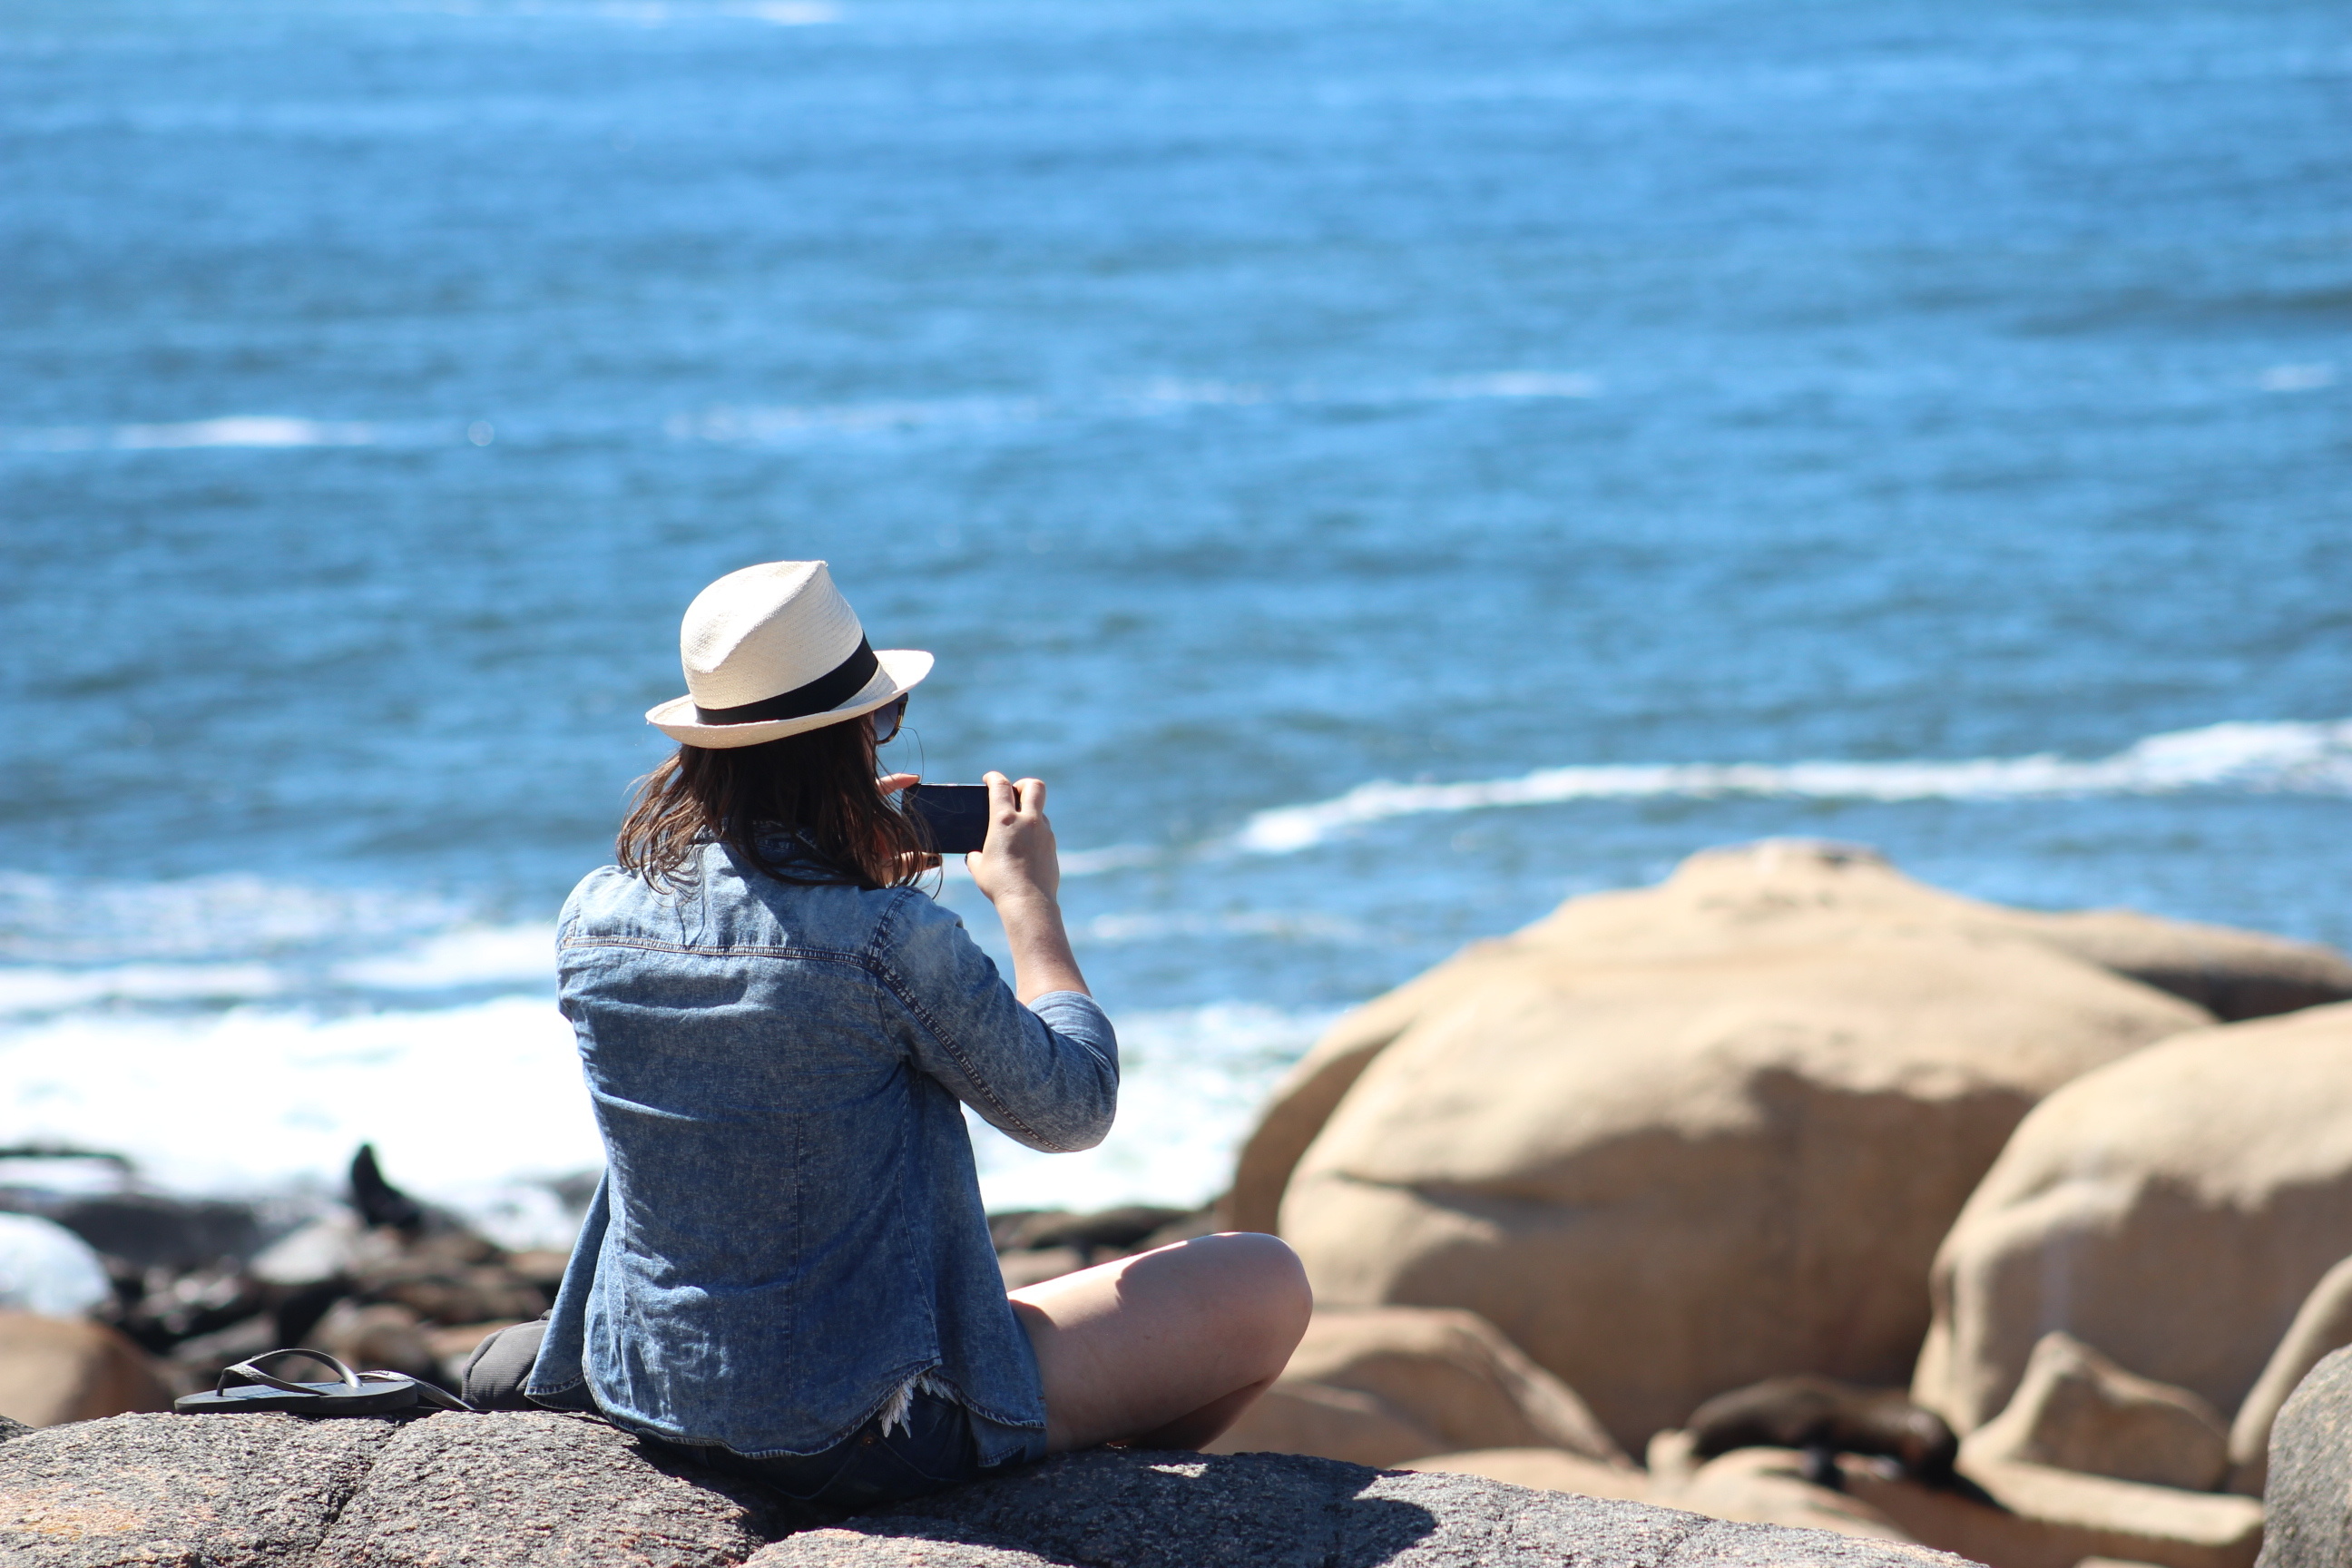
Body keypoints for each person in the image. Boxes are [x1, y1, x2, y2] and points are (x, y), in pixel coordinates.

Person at [524, 560, 1311, 1509]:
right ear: (853, 739)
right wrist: (1029, 906)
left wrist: (840, 878)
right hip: (869, 1431)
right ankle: (1082, 1497)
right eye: (878, 721)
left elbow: (761, 1040)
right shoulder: (888, 941)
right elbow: (1073, 1109)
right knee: (1267, 1281)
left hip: (654, 1392)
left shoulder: (595, 915)